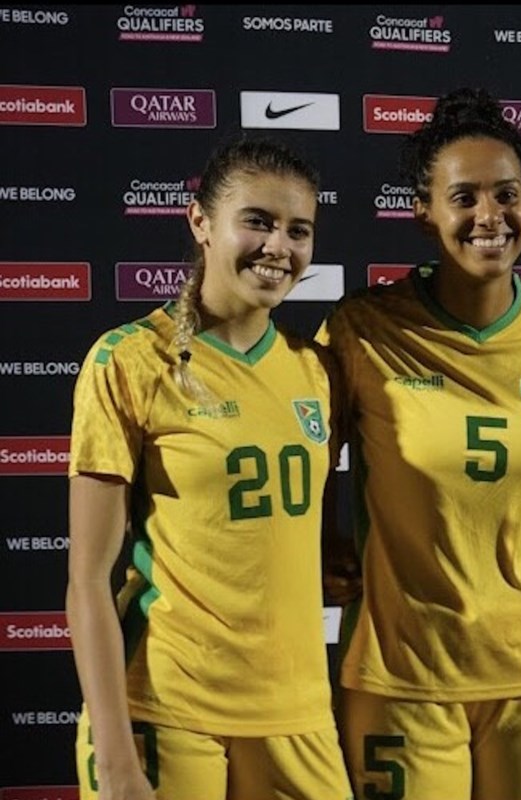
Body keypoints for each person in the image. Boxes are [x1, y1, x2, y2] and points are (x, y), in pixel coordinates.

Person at [316, 87, 521, 800]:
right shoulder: (363, 328)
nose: (489, 217)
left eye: (508, 194)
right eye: (464, 197)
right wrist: (323, 540)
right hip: (403, 673)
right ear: (423, 209)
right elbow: (297, 450)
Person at [66, 136, 352, 799]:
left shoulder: (318, 370)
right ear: (200, 222)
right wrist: (116, 760)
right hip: (168, 709)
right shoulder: (130, 360)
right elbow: (85, 582)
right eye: (257, 221)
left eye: (298, 230)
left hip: (297, 715)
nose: (279, 246)